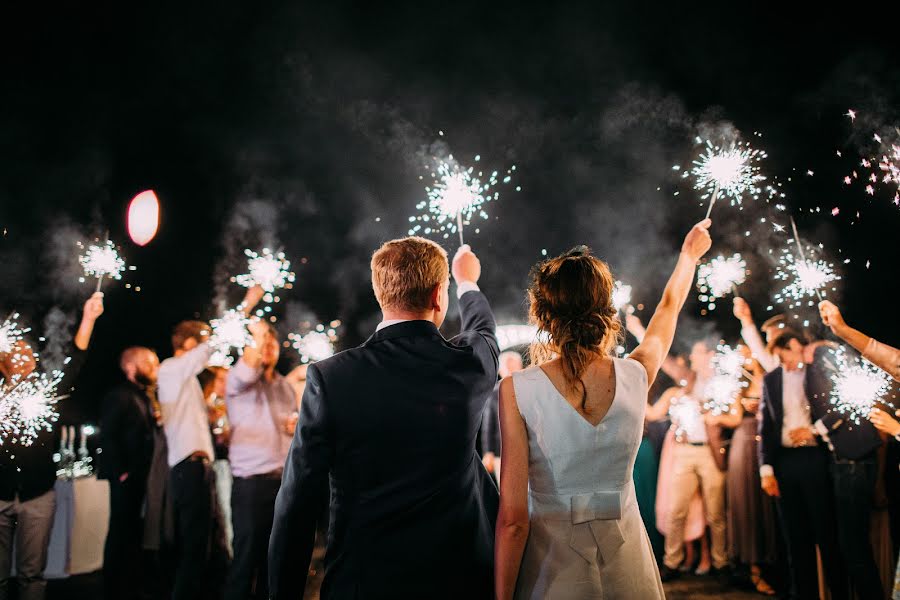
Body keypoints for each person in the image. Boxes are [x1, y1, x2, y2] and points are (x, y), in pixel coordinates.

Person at [268, 240, 500, 599]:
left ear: (380, 295)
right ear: (439, 296)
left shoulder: (331, 378)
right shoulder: (468, 365)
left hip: (365, 582)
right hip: (457, 582)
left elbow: (297, 500)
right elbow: (484, 330)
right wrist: (468, 282)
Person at [494, 219, 712, 599]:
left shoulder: (517, 389)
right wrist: (688, 257)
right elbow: (669, 308)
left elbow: (513, 521)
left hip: (553, 572)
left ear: (543, 314)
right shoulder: (636, 373)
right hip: (629, 568)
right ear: (604, 309)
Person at [157, 286, 261, 600]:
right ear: (188, 344)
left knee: (205, 543)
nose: (209, 351)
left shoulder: (185, 380)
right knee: (193, 547)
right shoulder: (171, 369)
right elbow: (215, 343)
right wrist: (246, 305)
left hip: (199, 468)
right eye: (201, 343)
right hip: (188, 470)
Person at [0, 292, 104, 600]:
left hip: (38, 493)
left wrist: (88, 319)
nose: (27, 356)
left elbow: (76, 358)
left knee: (33, 575)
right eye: (17, 353)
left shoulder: (46, 393)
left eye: (28, 353)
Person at [758, 331, 848, 599]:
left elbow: (839, 407)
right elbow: (766, 425)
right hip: (785, 463)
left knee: (826, 533)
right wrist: (766, 470)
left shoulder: (816, 372)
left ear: (795, 346)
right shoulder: (771, 379)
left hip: (815, 459)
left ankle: (839, 593)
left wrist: (813, 431)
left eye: (782, 355)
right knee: (795, 539)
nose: (781, 362)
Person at [645, 339, 729, 581]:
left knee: (716, 512)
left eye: (698, 352)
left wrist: (715, 416)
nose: (692, 357)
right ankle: (672, 562)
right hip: (683, 453)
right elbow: (669, 365)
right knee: (676, 510)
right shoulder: (687, 381)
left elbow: (730, 415)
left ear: (710, 355)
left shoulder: (719, 384)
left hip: (709, 453)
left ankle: (721, 562)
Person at [224, 320, 296, 600]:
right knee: (245, 560)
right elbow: (248, 369)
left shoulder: (284, 387)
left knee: (276, 560)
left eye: (272, 344)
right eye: (262, 344)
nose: (267, 348)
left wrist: (295, 426)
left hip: (282, 483)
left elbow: (291, 426)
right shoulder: (238, 382)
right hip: (251, 486)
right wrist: (259, 335)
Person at [99, 346, 160, 600]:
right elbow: (108, 435)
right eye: (150, 363)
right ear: (131, 367)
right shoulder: (120, 396)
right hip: (127, 477)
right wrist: (122, 471)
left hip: (142, 475)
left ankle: (131, 585)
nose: (155, 369)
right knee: (121, 530)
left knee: (134, 530)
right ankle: (114, 588)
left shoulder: (144, 396)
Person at [718, 346, 777, 595]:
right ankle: (750, 567)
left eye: (751, 352)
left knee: (765, 504)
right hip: (743, 443)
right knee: (745, 502)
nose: (747, 357)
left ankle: (773, 564)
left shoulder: (772, 378)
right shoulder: (737, 385)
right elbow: (732, 419)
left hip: (765, 441)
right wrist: (715, 417)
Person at [479, 351, 524, 480]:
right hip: (502, 451)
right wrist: (488, 452)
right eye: (508, 366)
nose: (511, 370)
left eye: (514, 365)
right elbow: (488, 424)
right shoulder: (494, 392)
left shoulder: (528, 389)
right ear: (500, 370)